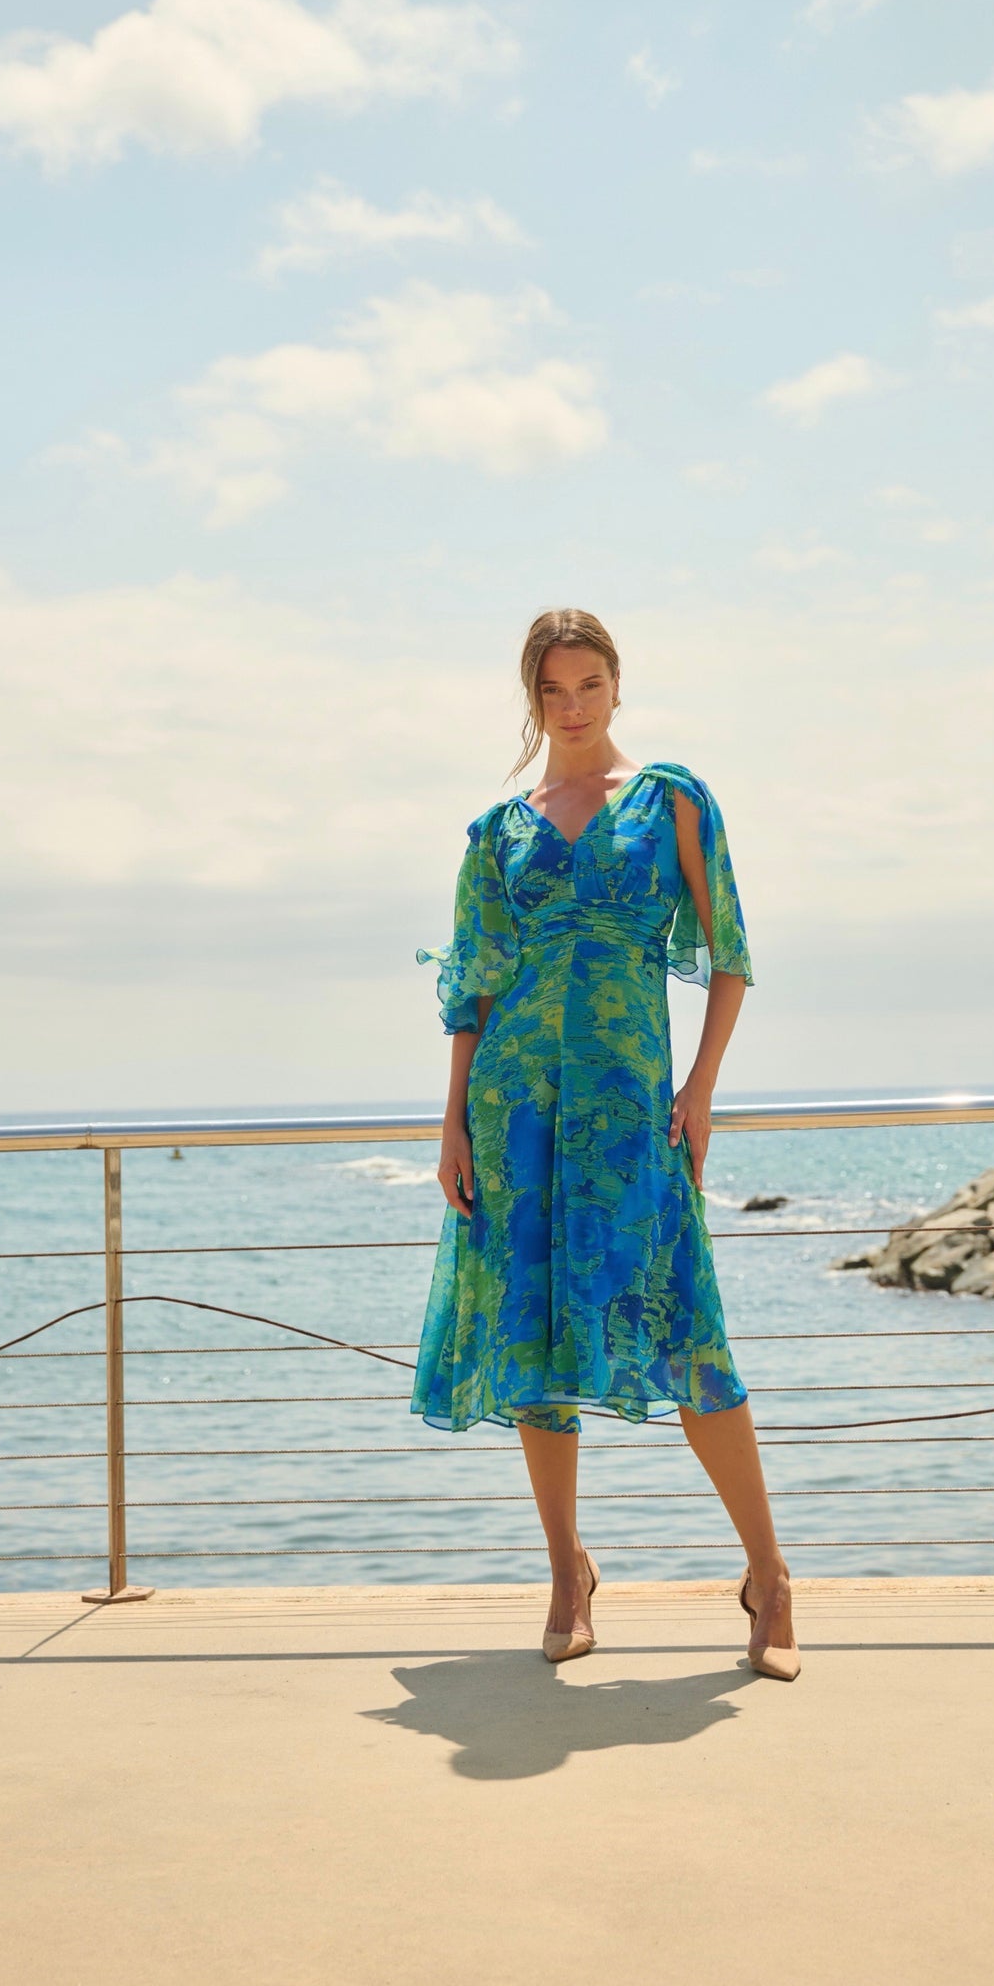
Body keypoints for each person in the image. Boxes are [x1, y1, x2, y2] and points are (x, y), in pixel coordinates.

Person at [414, 608, 800, 1681]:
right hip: (515, 1113)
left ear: (617, 687)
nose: (573, 705)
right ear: (532, 698)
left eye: (589, 684)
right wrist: (452, 1120)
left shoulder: (670, 800)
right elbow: (471, 988)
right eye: (553, 689)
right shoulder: (497, 833)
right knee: (534, 1341)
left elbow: (730, 952)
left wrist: (700, 1088)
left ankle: (768, 1575)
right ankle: (565, 1573)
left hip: (632, 1111)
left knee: (691, 1334)